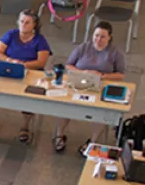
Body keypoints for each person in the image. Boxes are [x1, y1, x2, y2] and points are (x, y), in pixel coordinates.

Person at [50, 21, 127, 153]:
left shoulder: (116, 53)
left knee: (101, 111)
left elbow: (120, 75)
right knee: (65, 105)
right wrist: (83, 72)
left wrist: (102, 75)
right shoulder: (84, 47)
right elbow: (69, 65)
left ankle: (93, 141)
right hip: (79, 82)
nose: (98, 39)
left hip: (101, 85)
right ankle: (59, 135)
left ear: (109, 37)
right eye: (96, 35)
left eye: (103, 37)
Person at [0, 10, 52, 142]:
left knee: (28, 98)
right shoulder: (11, 34)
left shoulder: (40, 41)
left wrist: (24, 65)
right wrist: (10, 61)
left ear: (34, 25)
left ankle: (25, 126)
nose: (23, 24)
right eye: (21, 21)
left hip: (30, 73)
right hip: (8, 69)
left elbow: (41, 62)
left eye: (27, 22)